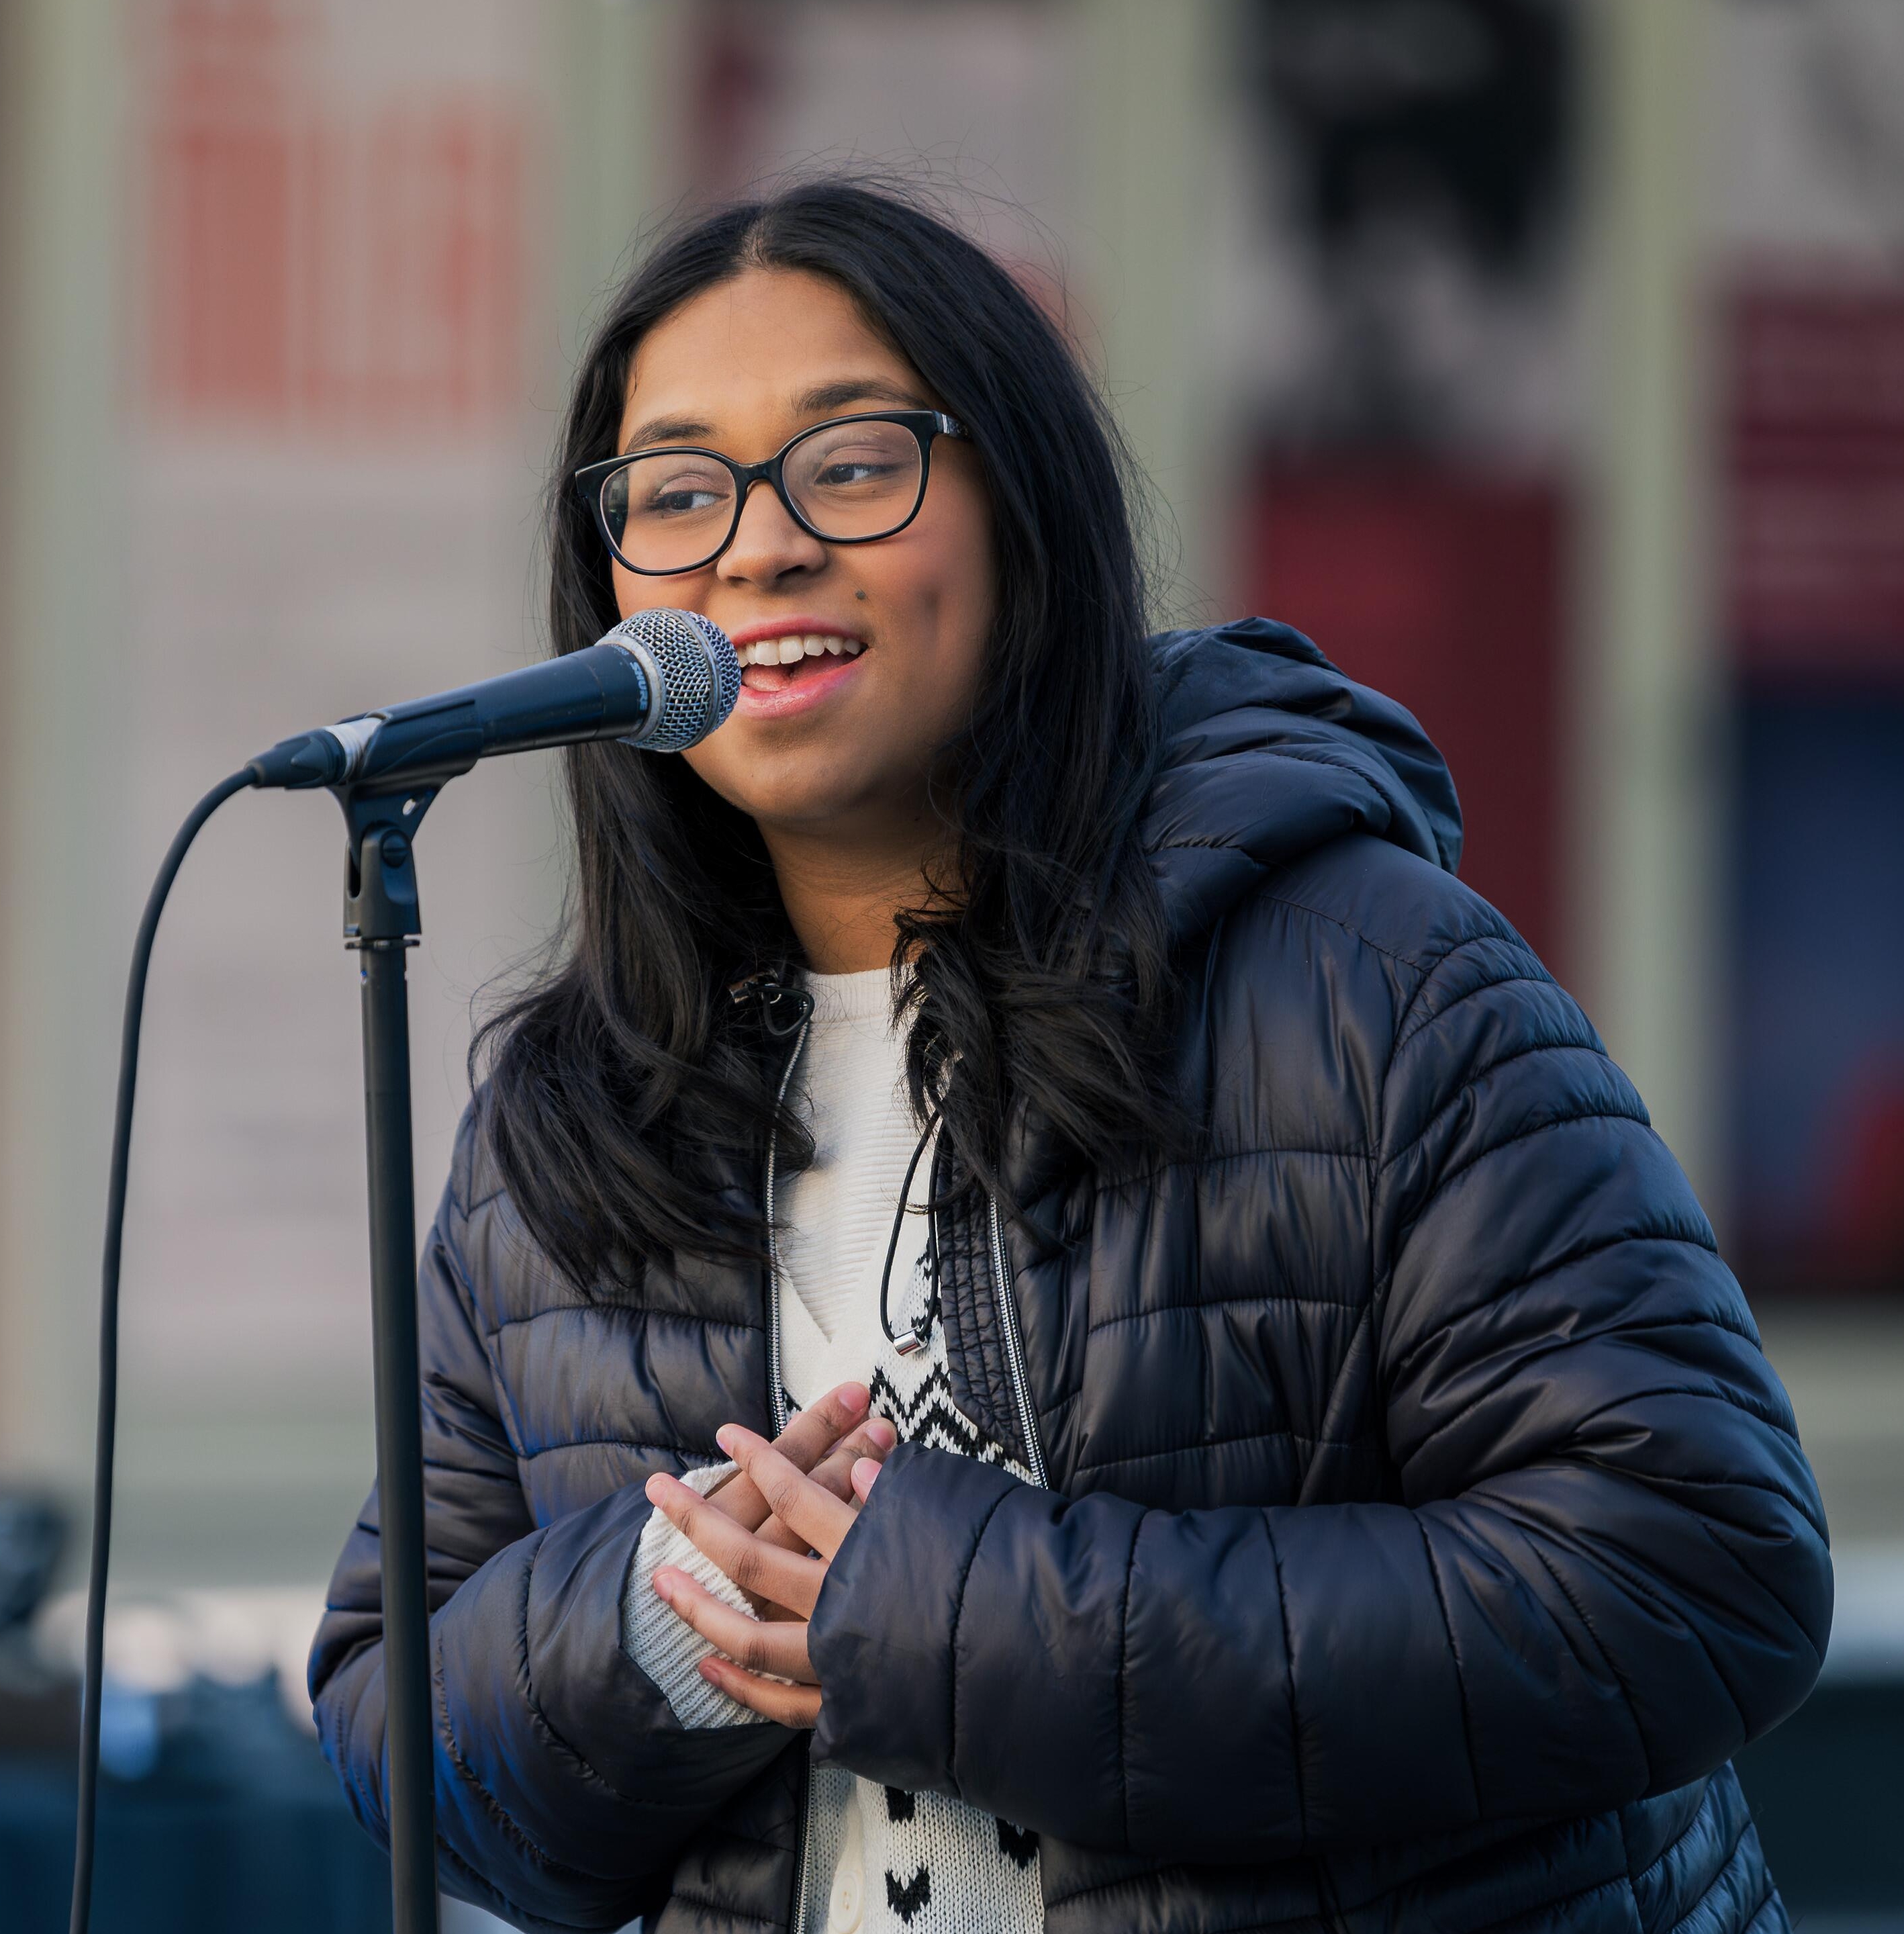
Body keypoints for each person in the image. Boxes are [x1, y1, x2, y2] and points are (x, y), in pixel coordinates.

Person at [309, 179, 1831, 1934]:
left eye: (852, 463)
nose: (759, 547)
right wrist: (663, 1617)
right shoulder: (563, 1118)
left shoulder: (1366, 977)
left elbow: (1695, 1573)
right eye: (676, 492)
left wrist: (958, 1627)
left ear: (1023, 512)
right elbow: (400, 1731)